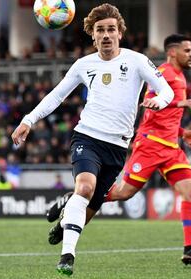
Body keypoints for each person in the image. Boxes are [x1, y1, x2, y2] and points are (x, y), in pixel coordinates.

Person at [11, 4, 176, 276]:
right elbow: (56, 95)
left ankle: (66, 211)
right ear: (93, 35)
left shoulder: (137, 61)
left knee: (88, 207)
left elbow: (166, 90)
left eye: (111, 29)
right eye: (101, 30)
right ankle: (67, 256)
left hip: (118, 146)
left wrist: (159, 100)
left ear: (120, 33)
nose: (106, 35)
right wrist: (28, 119)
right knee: (85, 188)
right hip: (87, 136)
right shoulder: (83, 65)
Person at [47, 34, 191, 266]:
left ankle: (190, 248)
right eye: (187, 50)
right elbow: (151, 104)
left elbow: (167, 118)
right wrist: (178, 103)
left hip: (171, 147)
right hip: (150, 145)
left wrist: (181, 132)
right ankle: (73, 202)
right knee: (123, 193)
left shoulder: (180, 77)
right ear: (172, 53)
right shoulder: (165, 73)